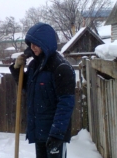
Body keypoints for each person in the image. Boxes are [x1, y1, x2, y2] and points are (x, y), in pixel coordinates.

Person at [9, 22, 75, 158]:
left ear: (46, 43)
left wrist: (57, 134)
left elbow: (66, 103)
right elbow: (27, 87)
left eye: (36, 43)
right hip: (39, 131)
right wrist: (16, 69)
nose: (32, 47)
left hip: (53, 133)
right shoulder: (35, 65)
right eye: (30, 43)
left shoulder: (61, 68)